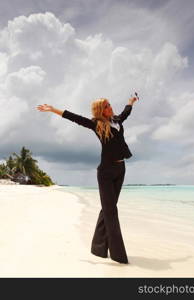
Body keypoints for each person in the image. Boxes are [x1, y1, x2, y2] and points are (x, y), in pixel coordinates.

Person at [36, 96, 138, 264]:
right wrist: (53, 109)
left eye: (110, 104)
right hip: (106, 172)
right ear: (101, 110)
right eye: (107, 106)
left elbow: (125, 113)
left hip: (121, 169)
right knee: (111, 212)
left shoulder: (117, 120)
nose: (110, 107)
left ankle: (98, 249)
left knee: (108, 209)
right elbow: (76, 118)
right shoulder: (96, 124)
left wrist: (131, 102)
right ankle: (119, 256)